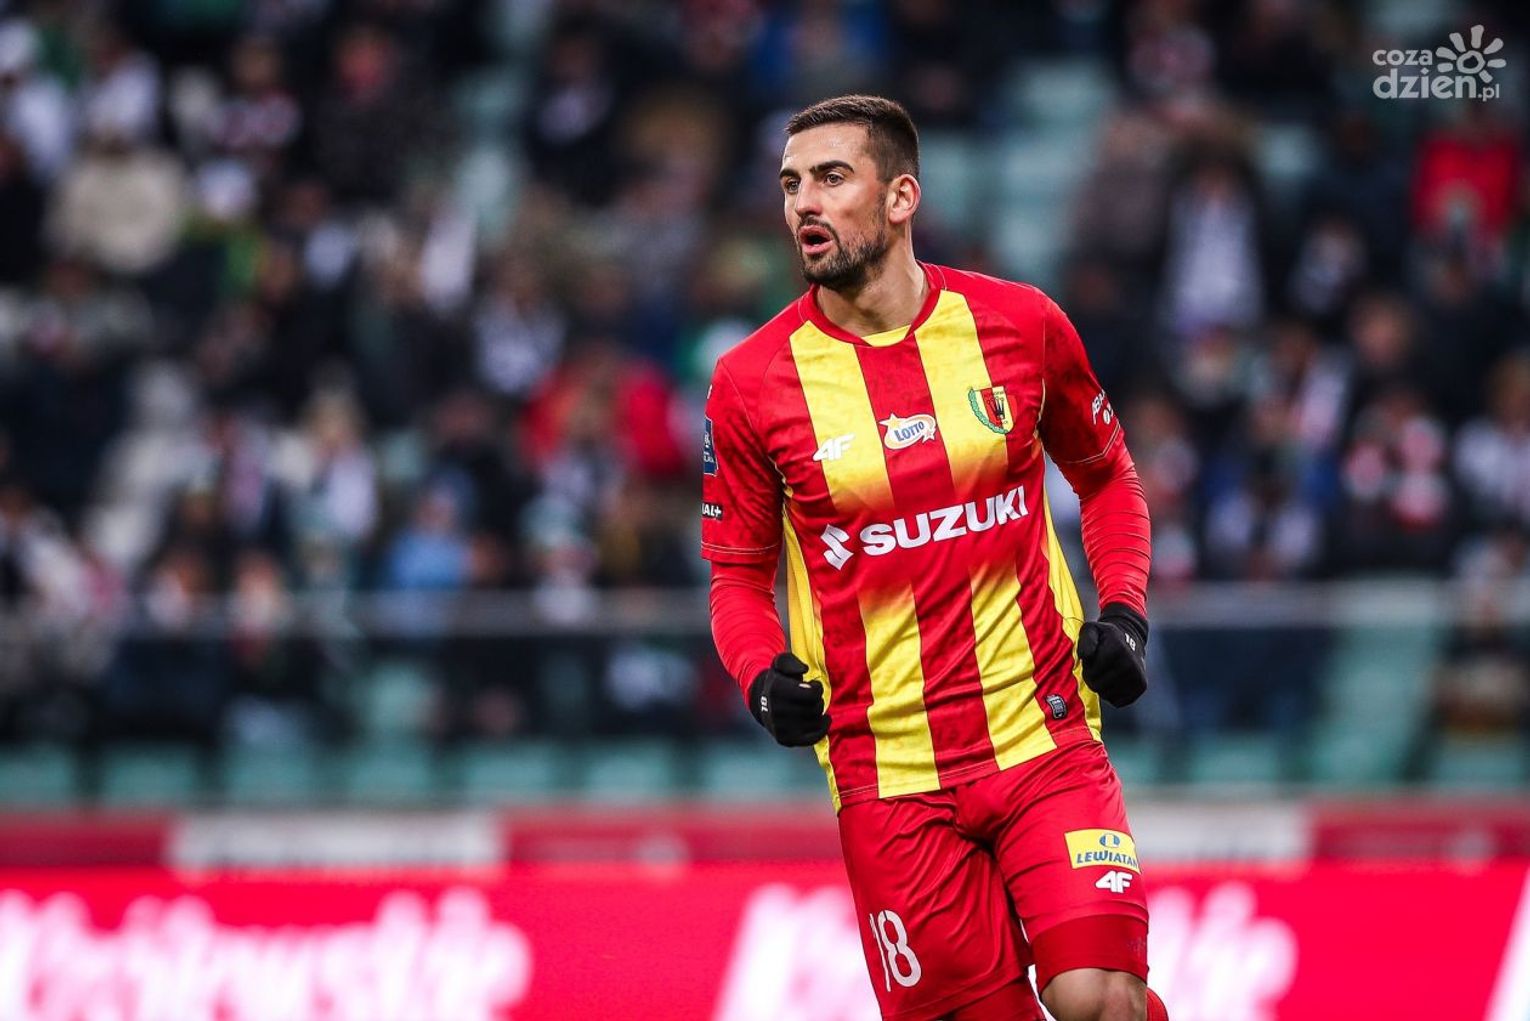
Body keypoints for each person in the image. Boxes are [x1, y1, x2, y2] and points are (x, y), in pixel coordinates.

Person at [702, 95, 1167, 1021]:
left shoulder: (1021, 325)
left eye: (832, 178)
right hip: (886, 773)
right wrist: (760, 677)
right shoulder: (751, 383)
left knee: (1099, 996)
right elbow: (736, 575)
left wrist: (1122, 609)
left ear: (901, 196)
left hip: (1041, 734)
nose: (804, 203)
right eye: (791, 184)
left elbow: (1108, 478)